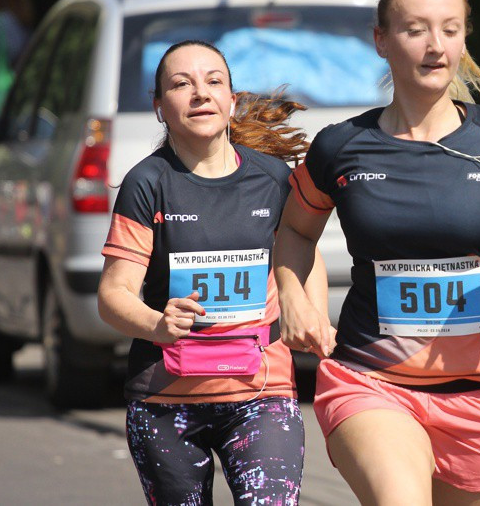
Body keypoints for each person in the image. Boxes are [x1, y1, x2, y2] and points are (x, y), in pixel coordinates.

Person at [273, 0, 480, 505]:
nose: (436, 46)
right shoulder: (342, 146)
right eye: (416, 30)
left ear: (463, 39)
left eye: (450, 29)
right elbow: (294, 230)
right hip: (372, 380)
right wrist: (294, 297)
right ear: (382, 41)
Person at [97, 40, 326, 505]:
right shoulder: (148, 183)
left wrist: (313, 315)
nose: (200, 93)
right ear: (160, 107)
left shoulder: (274, 179)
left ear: (232, 101)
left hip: (262, 391)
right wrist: (157, 324)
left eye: (213, 81)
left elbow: (305, 254)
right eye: (182, 84)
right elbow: (113, 294)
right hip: (166, 400)